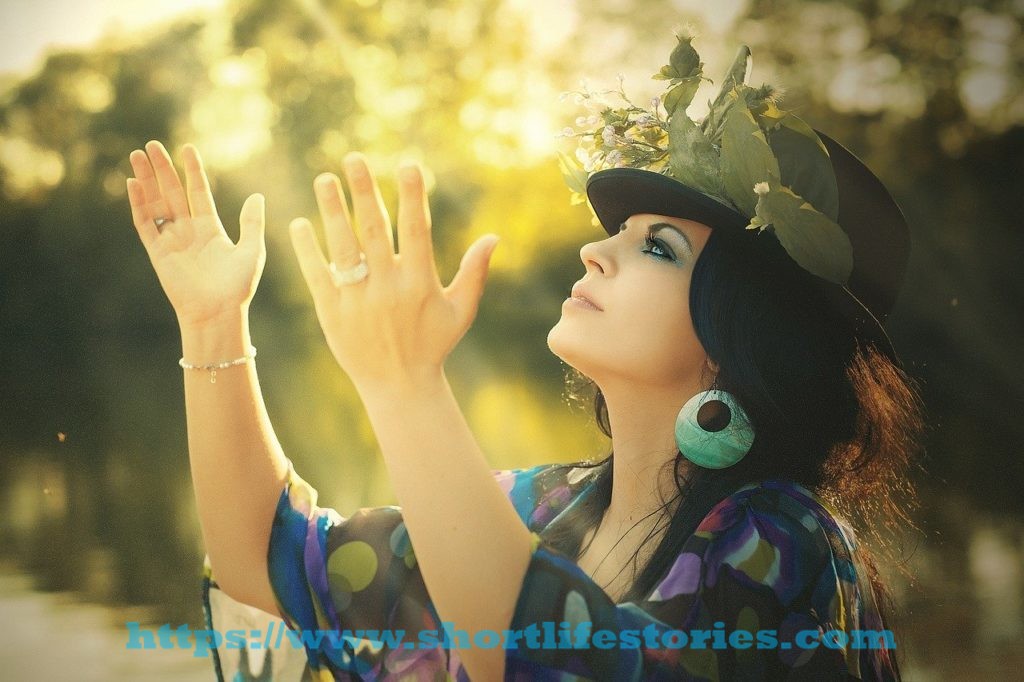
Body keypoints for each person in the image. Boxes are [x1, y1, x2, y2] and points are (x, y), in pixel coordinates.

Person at [126, 34, 922, 681]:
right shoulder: (533, 508)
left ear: (741, 333)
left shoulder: (787, 544)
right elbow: (273, 574)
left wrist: (405, 386)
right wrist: (212, 323)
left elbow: (550, 657)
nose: (598, 250)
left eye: (659, 245)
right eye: (618, 231)